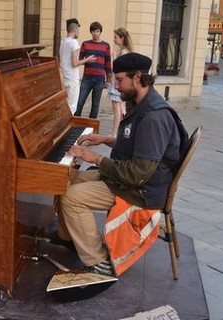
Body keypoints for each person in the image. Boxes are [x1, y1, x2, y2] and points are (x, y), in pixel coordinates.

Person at [41, 53, 184, 276]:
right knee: (64, 178)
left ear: (137, 77)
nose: (116, 86)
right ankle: (68, 236)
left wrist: (95, 158)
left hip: (140, 190)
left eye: (119, 80)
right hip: (130, 178)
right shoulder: (143, 104)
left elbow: (138, 174)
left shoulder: (153, 117)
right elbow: (141, 146)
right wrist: (107, 139)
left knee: (72, 197)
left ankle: (98, 261)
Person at [74, 21, 112, 119]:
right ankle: (75, 123)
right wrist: (87, 60)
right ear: (90, 32)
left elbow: (108, 63)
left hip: (99, 79)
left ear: (100, 32)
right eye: (93, 31)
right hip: (87, 77)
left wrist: (108, 80)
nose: (95, 33)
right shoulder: (85, 44)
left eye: (97, 31)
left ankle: (91, 127)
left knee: (95, 105)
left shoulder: (106, 46)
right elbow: (79, 60)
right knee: (80, 101)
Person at [59, 18, 97, 114]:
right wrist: (87, 60)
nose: (78, 32)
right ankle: (67, 128)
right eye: (78, 29)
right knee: (72, 107)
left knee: (66, 105)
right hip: (72, 79)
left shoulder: (63, 42)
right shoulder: (74, 43)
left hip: (64, 78)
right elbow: (75, 63)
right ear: (75, 29)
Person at [107, 27, 133, 137]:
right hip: (118, 82)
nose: (114, 39)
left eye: (116, 37)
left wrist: (112, 57)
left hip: (117, 83)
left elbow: (116, 69)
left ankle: (115, 133)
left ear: (122, 38)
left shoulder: (122, 52)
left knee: (116, 108)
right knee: (121, 108)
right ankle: (123, 130)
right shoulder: (124, 51)